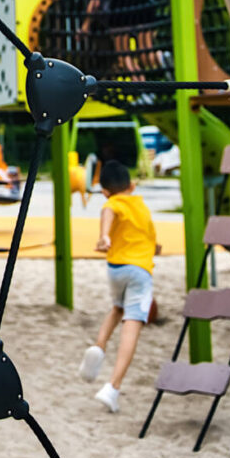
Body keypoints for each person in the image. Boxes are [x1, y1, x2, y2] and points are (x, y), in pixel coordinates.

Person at [78, 159, 160, 413]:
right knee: (133, 323)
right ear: (132, 185)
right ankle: (113, 387)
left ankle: (99, 346)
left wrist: (104, 237)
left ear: (104, 191)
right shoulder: (141, 206)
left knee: (117, 308)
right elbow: (150, 239)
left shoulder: (111, 203)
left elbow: (108, 211)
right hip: (139, 271)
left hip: (116, 269)